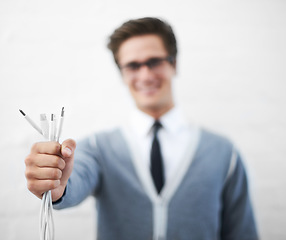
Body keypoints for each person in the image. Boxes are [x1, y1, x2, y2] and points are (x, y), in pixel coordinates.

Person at [24, 17, 259, 240]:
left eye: (154, 62)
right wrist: (57, 186)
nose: (145, 75)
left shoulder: (224, 153)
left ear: (174, 64)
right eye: (133, 66)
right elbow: (74, 179)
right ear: (122, 73)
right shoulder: (98, 148)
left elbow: (243, 233)